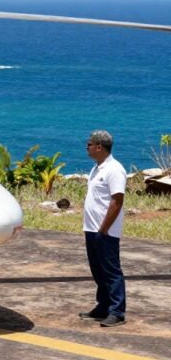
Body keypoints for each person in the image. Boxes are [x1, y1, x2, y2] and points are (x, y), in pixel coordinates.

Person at [79, 130, 127, 327]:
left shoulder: (114, 169)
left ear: (99, 147)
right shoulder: (96, 169)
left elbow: (117, 200)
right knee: (97, 270)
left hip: (105, 231)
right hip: (92, 229)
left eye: (89, 144)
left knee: (111, 271)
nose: (87, 147)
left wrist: (104, 229)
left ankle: (117, 311)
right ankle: (103, 306)